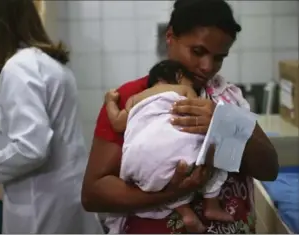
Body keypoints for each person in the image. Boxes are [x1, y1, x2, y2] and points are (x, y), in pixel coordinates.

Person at [81, 0, 279, 233]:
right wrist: (172, 192)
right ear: (170, 36)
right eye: (198, 51)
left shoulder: (227, 101)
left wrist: (228, 126)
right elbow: (93, 194)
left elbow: (269, 169)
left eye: (219, 58)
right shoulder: (134, 99)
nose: (207, 67)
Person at [0, 0, 103, 234]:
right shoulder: (48, 63)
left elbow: (31, 148)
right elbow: (6, 105)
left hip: (41, 206)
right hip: (67, 198)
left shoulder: (19, 68)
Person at [104, 60, 233, 233]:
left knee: (163, 181)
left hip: (136, 164)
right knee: (219, 156)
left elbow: (118, 123)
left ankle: (186, 213)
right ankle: (212, 205)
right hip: (178, 155)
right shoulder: (183, 90)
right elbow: (200, 117)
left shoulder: (135, 98)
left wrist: (110, 102)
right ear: (179, 76)